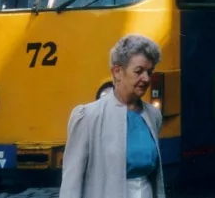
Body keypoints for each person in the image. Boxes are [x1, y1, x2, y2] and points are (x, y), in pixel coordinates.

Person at [60, 34, 165, 198]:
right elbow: (71, 184)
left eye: (149, 72)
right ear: (117, 72)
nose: (146, 79)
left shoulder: (153, 115)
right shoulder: (88, 116)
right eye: (139, 71)